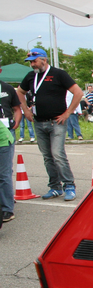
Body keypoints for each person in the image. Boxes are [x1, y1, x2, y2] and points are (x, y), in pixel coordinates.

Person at [16, 48, 83, 201]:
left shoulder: (59, 74)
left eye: (34, 61)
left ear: (44, 60)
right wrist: (26, 110)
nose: (32, 64)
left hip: (56, 122)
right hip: (39, 122)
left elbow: (78, 93)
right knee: (47, 156)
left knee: (58, 154)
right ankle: (55, 186)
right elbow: (20, 92)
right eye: (30, 62)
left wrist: (68, 113)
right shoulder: (31, 76)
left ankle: (69, 185)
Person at [0, 80, 21, 222]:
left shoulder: (7, 89)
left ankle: (8, 209)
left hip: (3, 138)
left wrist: (15, 125)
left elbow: (17, 109)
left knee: (3, 173)